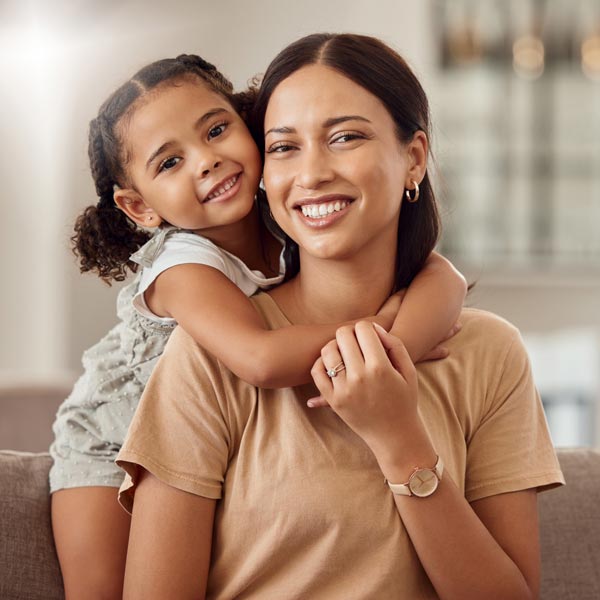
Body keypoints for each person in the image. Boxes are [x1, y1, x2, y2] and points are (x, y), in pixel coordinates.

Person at [117, 33, 564, 600]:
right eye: (283, 147)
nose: (312, 173)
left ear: (414, 158)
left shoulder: (489, 353)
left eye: (345, 137)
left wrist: (399, 439)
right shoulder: (210, 354)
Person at [49, 53, 467, 599]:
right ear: (139, 206)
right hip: (106, 436)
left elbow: (445, 278)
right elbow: (261, 359)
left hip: (207, 434)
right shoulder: (181, 267)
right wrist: (372, 327)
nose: (206, 161)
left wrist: (390, 354)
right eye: (169, 163)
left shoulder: (295, 211)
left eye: (217, 131)